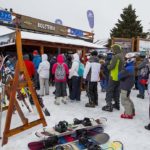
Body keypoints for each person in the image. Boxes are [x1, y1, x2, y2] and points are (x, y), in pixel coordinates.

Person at [102, 44, 124, 112]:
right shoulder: (122, 56)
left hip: (113, 76)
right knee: (117, 91)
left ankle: (109, 105)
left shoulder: (116, 56)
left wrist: (108, 66)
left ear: (116, 49)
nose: (112, 50)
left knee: (109, 90)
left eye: (113, 49)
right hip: (120, 76)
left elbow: (111, 67)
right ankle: (117, 105)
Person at [118, 54, 135, 119]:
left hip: (125, 86)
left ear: (129, 59)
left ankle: (128, 114)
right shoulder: (131, 67)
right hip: (128, 85)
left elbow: (119, 76)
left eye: (126, 59)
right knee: (128, 98)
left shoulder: (128, 69)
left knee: (124, 100)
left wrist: (123, 68)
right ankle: (132, 111)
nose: (125, 60)